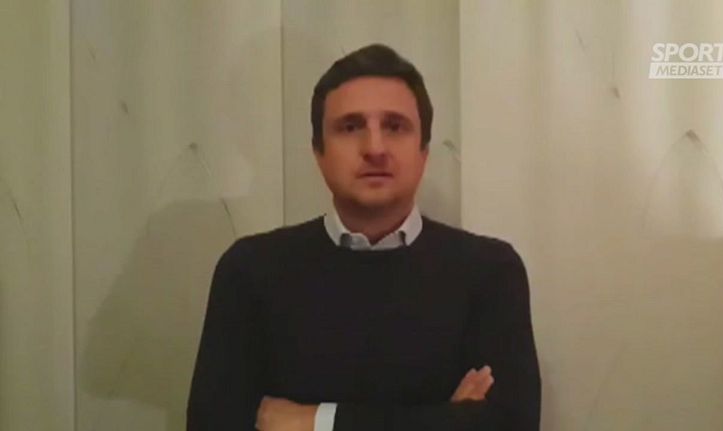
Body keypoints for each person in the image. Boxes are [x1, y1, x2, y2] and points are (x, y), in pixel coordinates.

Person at [187, 43, 541, 431]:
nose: (374, 148)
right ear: (319, 153)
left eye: (395, 126)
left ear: (423, 152)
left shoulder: (490, 272)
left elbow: (512, 425)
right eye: (351, 127)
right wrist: (448, 419)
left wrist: (314, 421)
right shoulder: (250, 271)